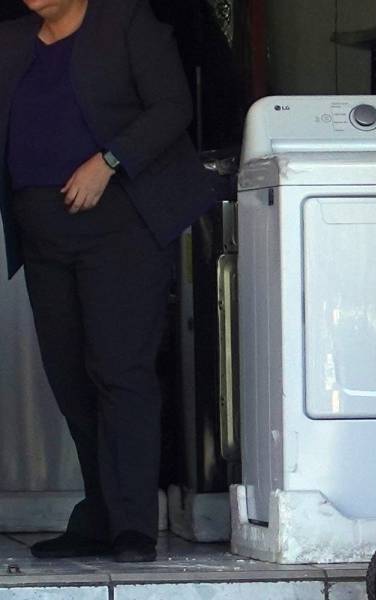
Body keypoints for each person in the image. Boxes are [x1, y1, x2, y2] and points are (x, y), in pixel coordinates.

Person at [0, 0, 215, 562]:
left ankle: (132, 525)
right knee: (69, 377)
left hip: (121, 227)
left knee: (120, 371)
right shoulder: (11, 41)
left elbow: (172, 106)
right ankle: (98, 514)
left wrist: (109, 161)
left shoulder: (126, 24)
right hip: (43, 237)